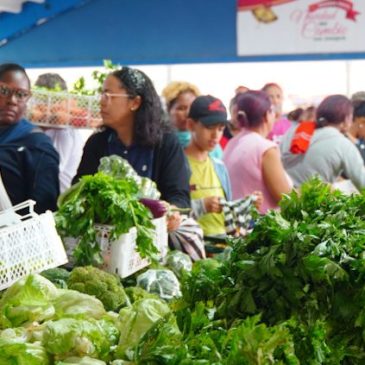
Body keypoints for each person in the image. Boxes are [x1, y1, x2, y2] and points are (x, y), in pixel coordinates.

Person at [73, 66, 190, 231]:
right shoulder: (97, 143)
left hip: (151, 238)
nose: (102, 101)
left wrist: (172, 212)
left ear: (135, 102)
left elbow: (179, 196)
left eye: (109, 95)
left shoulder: (166, 143)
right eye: (102, 95)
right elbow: (79, 189)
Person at [0, 63, 59, 213]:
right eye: (4, 90)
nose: (12, 100)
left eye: (21, 94)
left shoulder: (37, 145)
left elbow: (43, 210)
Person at [224, 90, 292, 214]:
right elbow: (286, 199)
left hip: (235, 223)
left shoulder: (233, 142)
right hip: (258, 226)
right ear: (267, 115)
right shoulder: (265, 148)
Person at [280, 95, 365, 190]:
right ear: (346, 119)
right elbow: (362, 182)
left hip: (283, 199)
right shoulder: (343, 144)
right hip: (312, 201)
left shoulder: (294, 131)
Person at [34, 73, 85, 193]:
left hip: (59, 199)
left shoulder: (64, 131)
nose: (45, 107)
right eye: (40, 100)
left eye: (54, 101)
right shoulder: (44, 127)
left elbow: (52, 169)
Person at [162, 81, 223, 159]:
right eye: (181, 108)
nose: (188, 113)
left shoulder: (208, 142)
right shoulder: (161, 143)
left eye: (192, 108)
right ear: (168, 110)